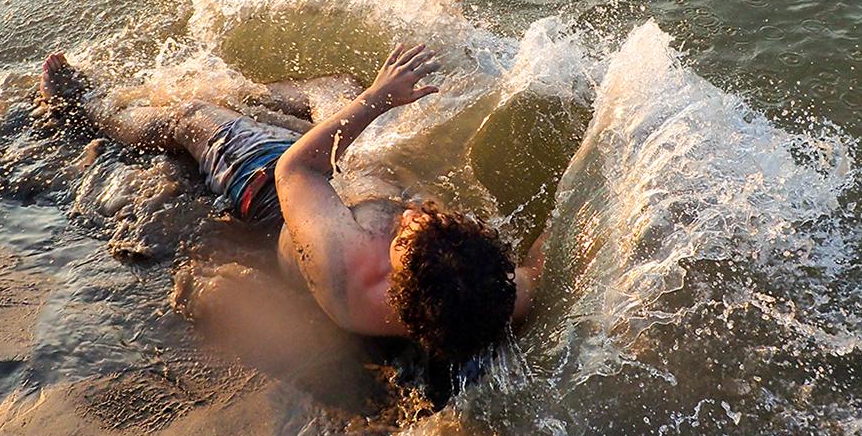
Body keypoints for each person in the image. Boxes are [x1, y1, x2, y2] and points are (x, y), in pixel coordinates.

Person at [39, 43, 547, 363]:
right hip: (354, 177)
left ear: (397, 288)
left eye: (404, 236)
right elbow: (540, 267)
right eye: (433, 220)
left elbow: (296, 170)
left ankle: (81, 105)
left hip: (270, 188)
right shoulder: (491, 296)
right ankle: (260, 100)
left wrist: (379, 98)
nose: (413, 216)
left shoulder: (345, 273)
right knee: (334, 89)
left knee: (191, 117)